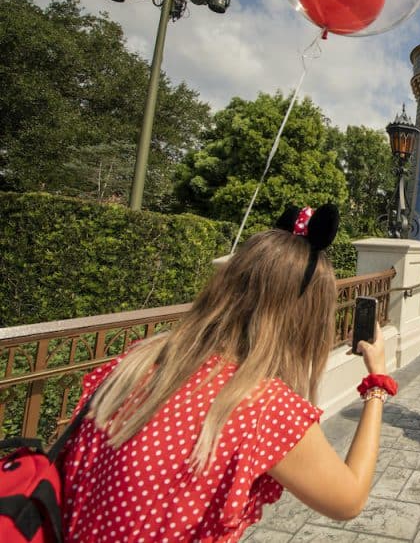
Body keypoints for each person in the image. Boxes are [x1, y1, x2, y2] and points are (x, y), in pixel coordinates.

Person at [59, 204, 395, 542]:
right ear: (306, 319)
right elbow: (349, 500)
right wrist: (376, 382)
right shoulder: (261, 406)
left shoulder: (135, 363)